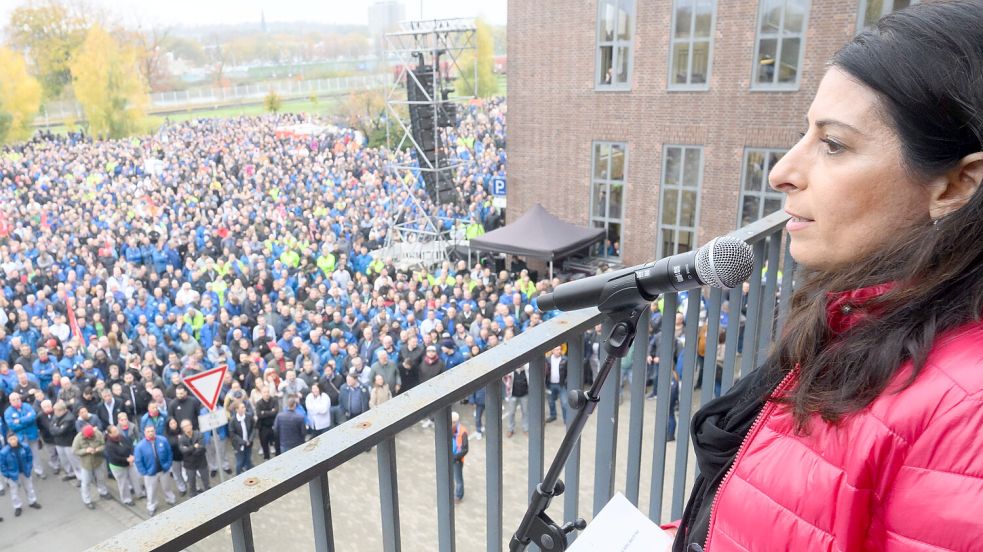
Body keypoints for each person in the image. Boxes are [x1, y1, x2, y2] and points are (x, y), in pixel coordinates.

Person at [672, 4, 983, 550]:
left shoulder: (965, 418)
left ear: (956, 186)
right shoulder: (860, 315)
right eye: (804, 134)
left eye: (833, 144)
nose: (781, 172)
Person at [134, 424, 176, 516]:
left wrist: (168, 465)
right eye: (148, 431)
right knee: (151, 490)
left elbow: (169, 453)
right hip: (150, 473)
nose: (150, 433)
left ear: (155, 431)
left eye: (152, 431)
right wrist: (144, 472)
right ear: (144, 433)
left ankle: (170, 499)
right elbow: (138, 461)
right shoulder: (140, 446)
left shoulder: (163, 440)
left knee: (167, 487)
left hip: (164, 470)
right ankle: (151, 506)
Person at [3, 392, 45, 479]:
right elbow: (12, 426)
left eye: (17, 398)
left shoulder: (27, 406)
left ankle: (39, 471)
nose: (16, 401)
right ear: (10, 401)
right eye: (13, 399)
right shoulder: (8, 412)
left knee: (35, 454)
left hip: (32, 434)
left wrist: (20, 420)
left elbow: (33, 417)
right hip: (20, 437)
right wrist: (26, 420)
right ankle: (27, 473)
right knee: (23, 455)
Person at [0, 433, 41, 517]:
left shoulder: (24, 447)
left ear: (17, 439)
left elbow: (29, 457)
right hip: (13, 474)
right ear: (8, 441)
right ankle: (17, 506)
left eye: (14, 439)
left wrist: (29, 468)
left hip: (24, 471)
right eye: (11, 439)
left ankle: (32, 501)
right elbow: (2, 465)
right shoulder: (4, 452)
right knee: (14, 491)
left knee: (29, 487)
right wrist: (7, 475)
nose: (13, 441)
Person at [71, 424, 110, 509]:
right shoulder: (78, 438)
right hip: (86, 464)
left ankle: (103, 492)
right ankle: (87, 500)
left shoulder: (98, 434)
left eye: (91, 436)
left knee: (101, 478)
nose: (89, 437)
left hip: (98, 461)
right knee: (86, 482)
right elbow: (74, 451)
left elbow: (103, 445)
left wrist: (97, 449)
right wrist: (86, 450)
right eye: (87, 436)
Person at [105, 424, 144, 506]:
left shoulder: (121, 437)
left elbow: (130, 446)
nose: (117, 432)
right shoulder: (109, 445)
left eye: (117, 430)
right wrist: (127, 460)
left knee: (135, 478)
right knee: (123, 483)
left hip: (129, 462)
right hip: (118, 466)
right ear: (110, 434)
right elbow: (114, 458)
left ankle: (140, 493)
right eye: (115, 431)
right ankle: (127, 499)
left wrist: (132, 456)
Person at [178, 419, 209, 496]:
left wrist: (189, 451)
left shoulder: (199, 434)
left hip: (201, 462)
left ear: (191, 425)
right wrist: (194, 447)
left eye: (188, 425)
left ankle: (209, 494)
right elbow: (183, 451)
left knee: (206, 481)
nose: (187, 427)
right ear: (182, 428)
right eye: (184, 426)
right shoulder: (181, 439)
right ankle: (193, 497)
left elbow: (202, 448)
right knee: (191, 483)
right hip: (190, 465)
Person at [228, 401, 255, 474]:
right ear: (237, 409)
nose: (244, 409)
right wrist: (243, 442)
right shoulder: (233, 420)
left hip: (248, 444)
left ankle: (249, 472)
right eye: (242, 407)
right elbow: (232, 434)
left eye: (244, 407)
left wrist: (250, 439)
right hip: (239, 445)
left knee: (248, 459)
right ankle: (238, 475)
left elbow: (253, 428)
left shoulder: (248, 416)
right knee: (239, 462)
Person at [503, 364, 529, 438]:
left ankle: (526, 428)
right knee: (511, 413)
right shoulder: (511, 370)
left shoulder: (526, 369)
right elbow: (504, 378)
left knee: (525, 412)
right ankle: (510, 429)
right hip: (513, 395)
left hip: (524, 395)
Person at [254, 386, 279, 460]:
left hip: (273, 425)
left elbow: (275, 412)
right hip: (263, 426)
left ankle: (278, 457)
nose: (266, 394)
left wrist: (264, 412)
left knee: (277, 442)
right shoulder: (259, 403)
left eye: (268, 392)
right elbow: (259, 415)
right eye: (264, 392)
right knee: (264, 444)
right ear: (261, 393)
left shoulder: (274, 400)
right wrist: (271, 411)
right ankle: (267, 457)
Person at [545, 346, 568, 424]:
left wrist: (566, 382)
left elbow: (568, 372)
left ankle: (566, 419)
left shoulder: (565, 359)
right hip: (550, 385)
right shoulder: (547, 360)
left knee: (564, 403)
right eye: (557, 349)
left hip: (561, 385)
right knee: (551, 401)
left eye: (560, 349)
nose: (559, 351)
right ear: (552, 350)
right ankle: (553, 415)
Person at [450, 411, 468, 504]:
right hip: (450, 457)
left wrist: (455, 457)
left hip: (457, 459)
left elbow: (465, 449)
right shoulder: (449, 429)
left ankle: (459, 495)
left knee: (458, 478)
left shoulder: (462, 432)